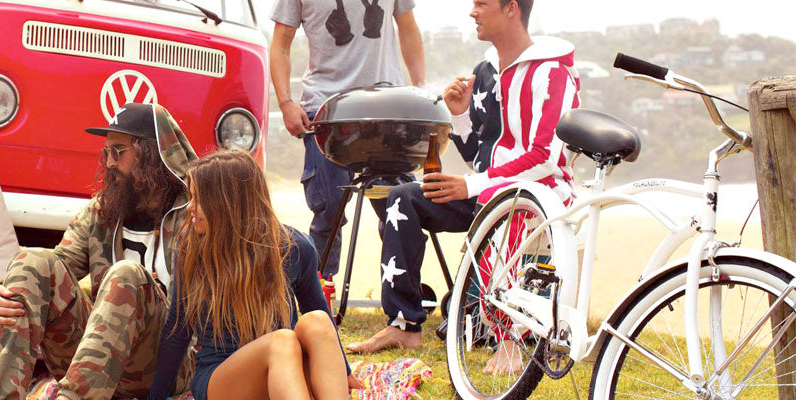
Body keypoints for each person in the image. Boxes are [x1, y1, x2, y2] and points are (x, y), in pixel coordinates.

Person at [347, 0, 580, 376]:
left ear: (511, 9)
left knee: (503, 226)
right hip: (487, 191)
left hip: (535, 196)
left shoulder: (552, 73)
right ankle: (404, 324)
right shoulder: (485, 72)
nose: (473, 12)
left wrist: (470, 185)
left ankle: (510, 339)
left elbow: (545, 158)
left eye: (481, 4)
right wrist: (459, 116)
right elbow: (479, 156)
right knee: (403, 199)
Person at [0, 103, 197, 400]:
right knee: (33, 261)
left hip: (169, 363)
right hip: (99, 362)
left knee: (127, 275)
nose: (109, 163)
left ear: (151, 155)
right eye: (106, 153)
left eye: (118, 152)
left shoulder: (195, 213)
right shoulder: (103, 210)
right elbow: (52, 271)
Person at [147, 151, 351, 400]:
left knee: (317, 321)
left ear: (226, 203)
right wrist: (156, 396)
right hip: (222, 376)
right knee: (282, 341)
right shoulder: (191, 249)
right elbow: (178, 329)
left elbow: (318, 312)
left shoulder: (294, 247)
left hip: (285, 368)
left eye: (198, 199)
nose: (189, 207)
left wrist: (345, 372)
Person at [270, 0, 426, 290]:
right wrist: (286, 102)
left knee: (398, 204)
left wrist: (419, 89)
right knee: (328, 205)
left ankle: (404, 294)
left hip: (385, 105)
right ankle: (319, 293)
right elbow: (280, 43)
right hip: (326, 106)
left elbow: (407, 26)